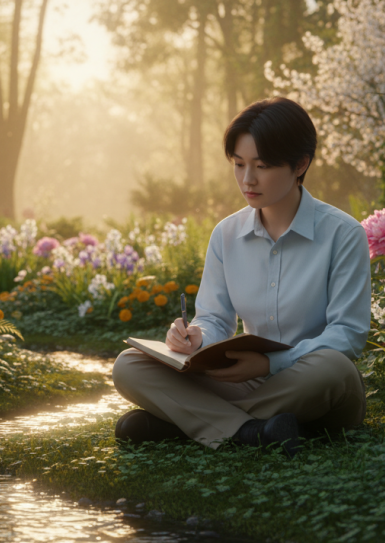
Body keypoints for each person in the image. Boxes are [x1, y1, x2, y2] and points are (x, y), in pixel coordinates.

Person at [111, 97, 371, 457]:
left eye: (262, 166)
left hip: (312, 386)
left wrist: (270, 363)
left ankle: (186, 426)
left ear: (300, 164)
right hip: (245, 383)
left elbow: (348, 334)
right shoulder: (226, 234)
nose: (247, 179)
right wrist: (196, 337)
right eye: (238, 164)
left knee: (333, 368)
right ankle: (256, 431)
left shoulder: (343, 234)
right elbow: (216, 318)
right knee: (130, 364)